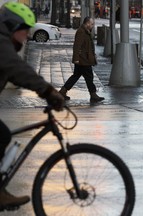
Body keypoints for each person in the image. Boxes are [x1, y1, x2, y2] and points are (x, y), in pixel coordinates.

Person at [0, 2, 65, 211]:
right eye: (25, 30)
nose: (28, 36)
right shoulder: (1, 44)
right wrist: (47, 91)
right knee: (1, 135)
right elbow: (18, 70)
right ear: (13, 26)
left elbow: (17, 74)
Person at [59, 17, 104, 103]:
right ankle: (93, 95)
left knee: (76, 76)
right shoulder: (81, 32)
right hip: (83, 60)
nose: (92, 26)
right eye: (91, 24)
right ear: (87, 23)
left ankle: (62, 91)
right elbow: (77, 46)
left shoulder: (85, 31)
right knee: (89, 76)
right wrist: (76, 59)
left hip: (83, 59)